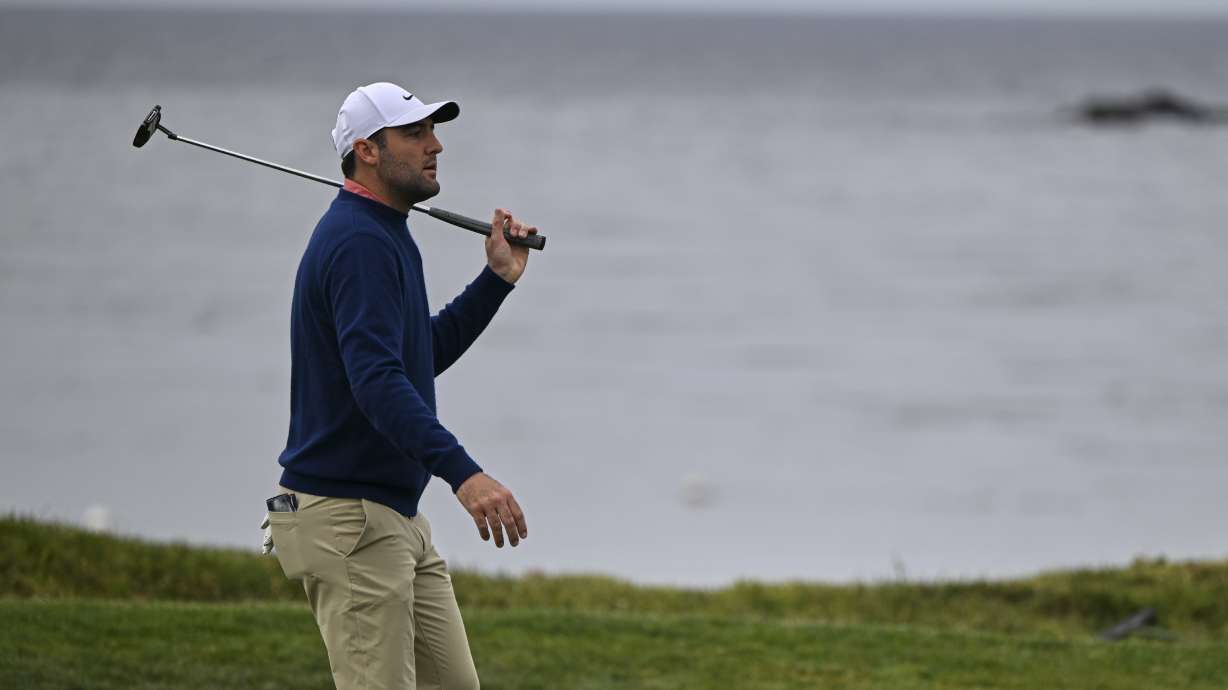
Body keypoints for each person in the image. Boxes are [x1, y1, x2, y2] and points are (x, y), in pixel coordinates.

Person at [263, 81, 536, 690]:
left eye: (432, 131)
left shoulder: (384, 231)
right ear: (367, 150)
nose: (435, 145)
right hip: (350, 520)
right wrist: (464, 473)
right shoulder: (360, 240)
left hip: (392, 518)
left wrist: (496, 280)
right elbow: (379, 383)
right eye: (414, 134)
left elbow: (415, 358)